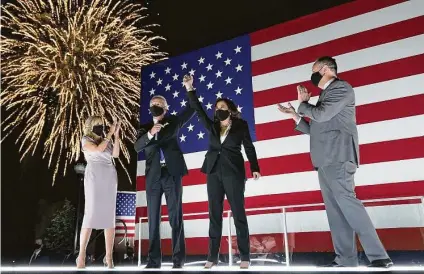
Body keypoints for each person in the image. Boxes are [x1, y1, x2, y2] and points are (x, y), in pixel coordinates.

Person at [277, 56, 393, 268]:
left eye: (314, 71)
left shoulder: (341, 88)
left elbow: (321, 115)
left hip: (338, 157)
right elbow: (316, 129)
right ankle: (346, 259)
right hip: (324, 160)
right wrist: (295, 115)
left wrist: (303, 105)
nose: (312, 76)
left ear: (326, 69)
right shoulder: (325, 96)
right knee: (336, 212)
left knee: (349, 204)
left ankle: (379, 256)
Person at [184, 75, 261, 269]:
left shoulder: (241, 125)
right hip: (213, 173)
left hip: (234, 173)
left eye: (222, 108)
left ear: (230, 110)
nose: (218, 110)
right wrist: (189, 88)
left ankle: (244, 257)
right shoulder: (212, 126)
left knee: (239, 214)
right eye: (216, 108)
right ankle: (212, 257)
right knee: (214, 215)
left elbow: (249, 147)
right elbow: (198, 110)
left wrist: (254, 168)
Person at [134, 94, 195, 269]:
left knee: (175, 217)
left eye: (160, 104)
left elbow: (191, 109)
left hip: (171, 173)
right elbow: (137, 147)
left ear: (166, 108)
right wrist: (150, 133)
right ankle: (153, 261)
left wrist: (189, 89)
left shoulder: (173, 122)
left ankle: (178, 260)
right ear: (149, 107)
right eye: (153, 103)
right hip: (153, 177)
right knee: (153, 219)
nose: (156, 105)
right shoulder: (144, 128)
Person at [76, 116, 121, 269]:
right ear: (90, 126)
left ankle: (109, 256)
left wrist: (116, 136)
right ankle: (81, 254)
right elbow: (97, 149)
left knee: (109, 215)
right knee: (91, 212)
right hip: (94, 176)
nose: (101, 126)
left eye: (102, 124)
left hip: (109, 176)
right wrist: (109, 135)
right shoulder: (86, 139)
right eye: (97, 124)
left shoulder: (106, 140)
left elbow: (115, 155)